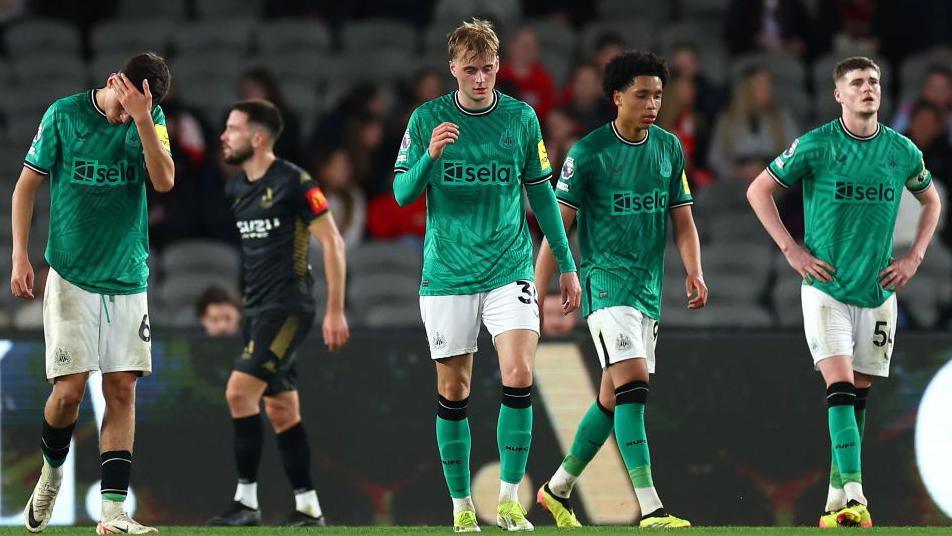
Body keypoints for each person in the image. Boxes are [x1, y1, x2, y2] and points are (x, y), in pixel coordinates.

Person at [392, 18, 581, 532]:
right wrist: (430, 155)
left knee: (519, 375)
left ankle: (508, 502)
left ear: (499, 67)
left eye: (488, 69)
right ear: (452, 68)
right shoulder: (426, 119)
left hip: (509, 266)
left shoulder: (521, 120)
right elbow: (403, 195)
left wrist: (566, 264)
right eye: (470, 69)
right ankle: (460, 506)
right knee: (455, 391)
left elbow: (542, 195)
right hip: (448, 273)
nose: (480, 79)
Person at [746, 56, 942, 528]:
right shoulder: (816, 145)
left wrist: (914, 257)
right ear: (839, 95)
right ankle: (856, 494)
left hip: (877, 290)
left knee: (857, 396)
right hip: (825, 287)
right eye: (857, 82)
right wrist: (791, 251)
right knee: (838, 387)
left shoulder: (901, 151)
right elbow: (758, 190)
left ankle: (836, 500)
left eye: (874, 80)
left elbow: (931, 200)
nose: (868, 88)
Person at [534, 51, 708, 530]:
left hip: (647, 291)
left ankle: (556, 490)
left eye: (657, 94)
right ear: (617, 97)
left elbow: (684, 222)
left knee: (612, 399)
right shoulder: (588, 154)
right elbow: (557, 226)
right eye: (642, 95)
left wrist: (694, 270)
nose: (652, 103)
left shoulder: (669, 149)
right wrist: (537, 297)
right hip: (605, 285)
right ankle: (651, 508)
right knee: (633, 387)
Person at [11, 52, 174, 534]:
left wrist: (142, 118)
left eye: (139, 109)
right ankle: (51, 471)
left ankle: (112, 512)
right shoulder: (64, 114)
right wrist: (20, 255)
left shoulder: (150, 117)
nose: (126, 116)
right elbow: (26, 187)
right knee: (69, 392)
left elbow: (163, 181)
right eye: (124, 105)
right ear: (113, 82)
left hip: (128, 275)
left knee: (122, 387)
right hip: (72, 275)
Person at [207, 100, 350, 527]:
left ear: (258, 138)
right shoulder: (236, 189)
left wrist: (335, 311)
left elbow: (334, 243)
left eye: (232, 129)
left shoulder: (294, 182)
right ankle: (309, 508)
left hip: (289, 308)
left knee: (238, 393)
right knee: (283, 410)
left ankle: (246, 503)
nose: (223, 136)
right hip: (256, 310)